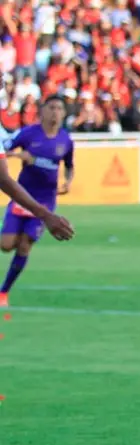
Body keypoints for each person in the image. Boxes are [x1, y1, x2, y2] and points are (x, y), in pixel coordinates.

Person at [0, 96, 76, 307]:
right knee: (6, 245)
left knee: (24, 246)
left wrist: (68, 181)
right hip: (22, 194)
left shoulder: (65, 140)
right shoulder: (28, 133)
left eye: (60, 108)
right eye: (51, 107)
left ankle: (3, 292)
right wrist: (20, 155)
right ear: (42, 111)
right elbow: (6, 149)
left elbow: (70, 165)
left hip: (45, 201)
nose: (55, 112)